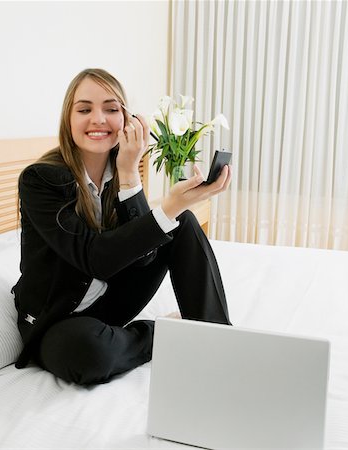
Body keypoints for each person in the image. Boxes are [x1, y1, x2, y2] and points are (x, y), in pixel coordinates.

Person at [12, 68, 232, 385]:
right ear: (68, 120)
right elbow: (94, 258)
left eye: (111, 109)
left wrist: (130, 174)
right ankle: (170, 333)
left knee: (179, 221)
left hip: (111, 301)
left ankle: (216, 336)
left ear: (126, 120)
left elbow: (144, 257)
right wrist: (169, 204)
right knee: (89, 353)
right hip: (58, 319)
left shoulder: (123, 169)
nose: (99, 119)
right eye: (84, 109)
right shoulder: (40, 179)